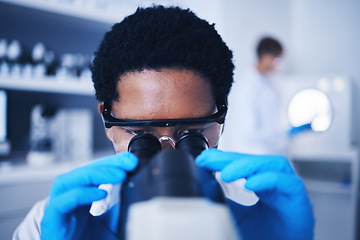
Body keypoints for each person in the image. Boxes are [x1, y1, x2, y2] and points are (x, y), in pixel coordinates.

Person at [13, 6, 314, 240]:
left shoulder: (259, 211)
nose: (167, 158)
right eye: (142, 136)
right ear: (107, 119)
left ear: (221, 115)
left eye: (192, 135)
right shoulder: (49, 223)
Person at [221, 37, 310, 155]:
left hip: (268, 151)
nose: (278, 64)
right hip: (254, 153)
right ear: (265, 56)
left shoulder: (267, 82)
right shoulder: (248, 87)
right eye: (276, 59)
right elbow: (250, 132)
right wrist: (285, 133)